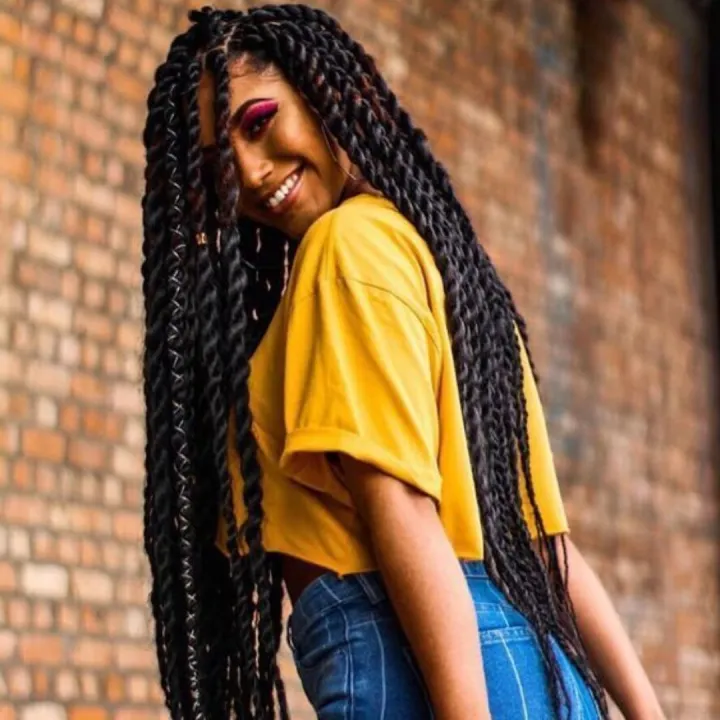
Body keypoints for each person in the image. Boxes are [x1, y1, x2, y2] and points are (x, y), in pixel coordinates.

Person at [140, 5, 665, 719]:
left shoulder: (343, 252)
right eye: (220, 165)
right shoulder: (443, 271)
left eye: (258, 123)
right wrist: (646, 709)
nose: (253, 174)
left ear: (327, 89)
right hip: (533, 672)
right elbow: (544, 543)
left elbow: (405, 512)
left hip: (419, 677)